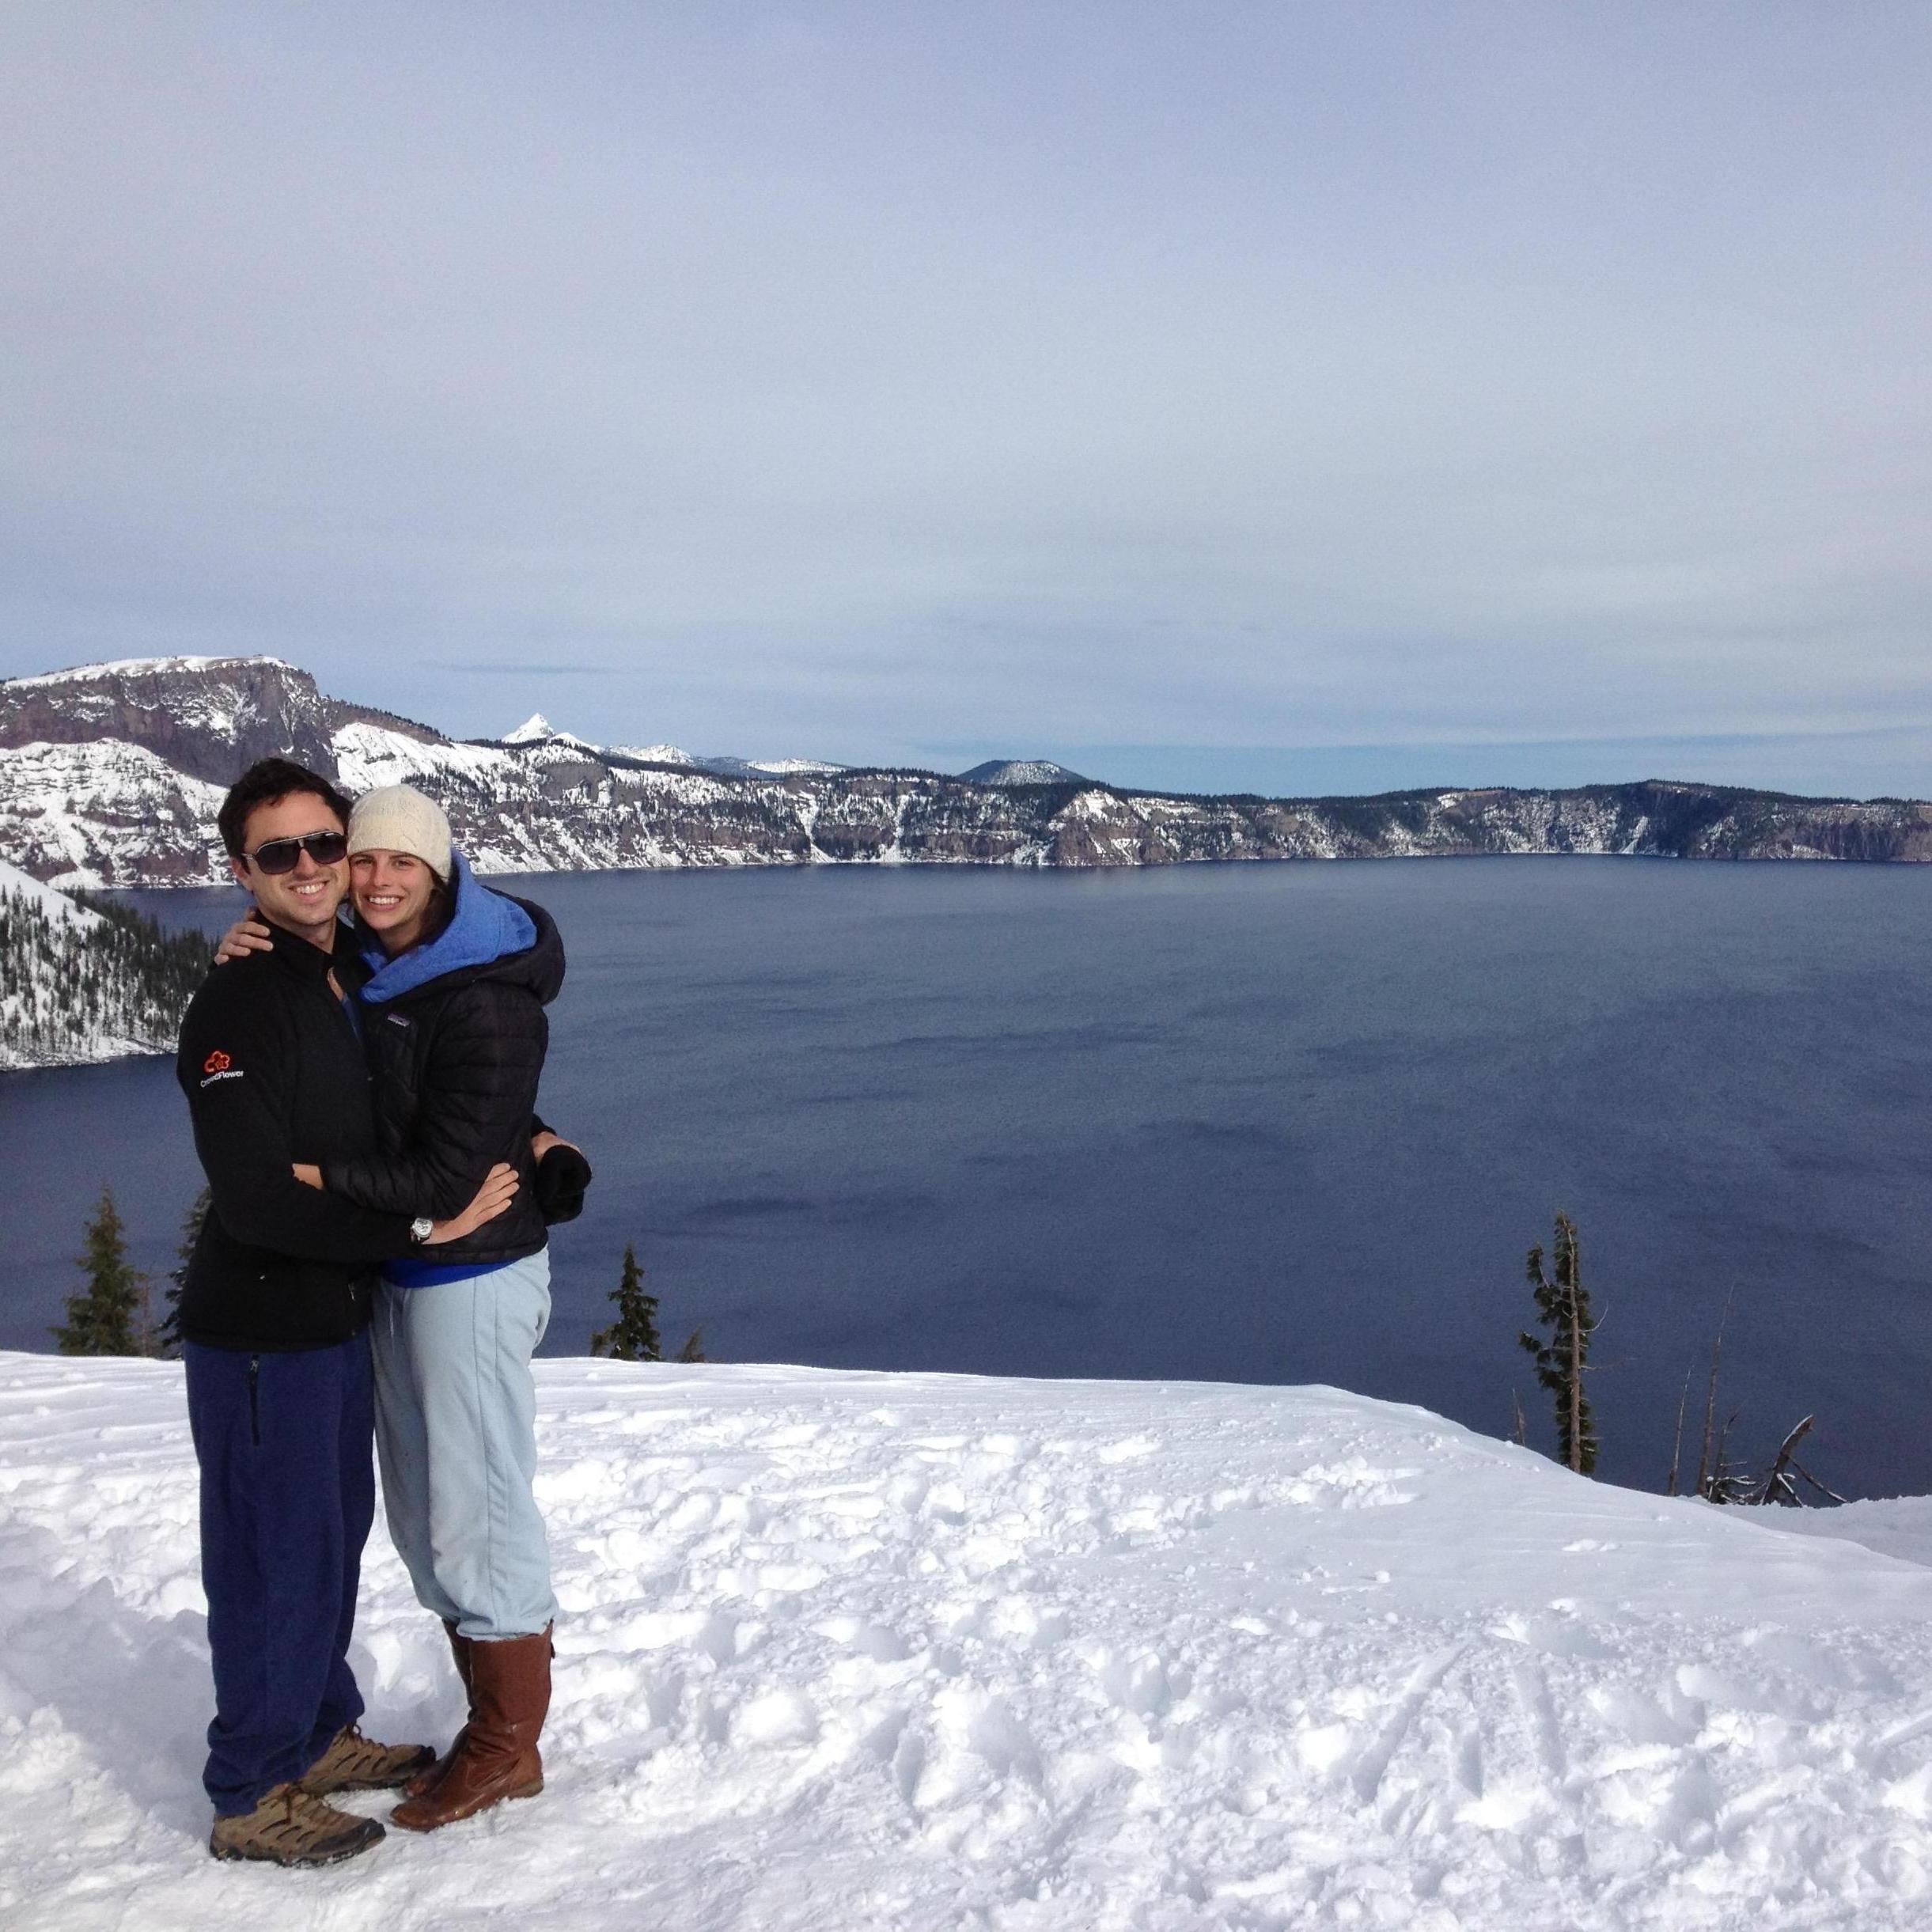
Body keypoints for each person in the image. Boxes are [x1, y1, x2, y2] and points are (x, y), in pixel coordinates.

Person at [177, 758, 521, 1867]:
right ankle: (250, 1786)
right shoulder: (243, 996)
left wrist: (537, 1140)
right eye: (281, 853)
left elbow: (421, 1095)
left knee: (326, 1543)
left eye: (326, 842)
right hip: (262, 1331)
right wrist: (420, 1229)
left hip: (330, 1321)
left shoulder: (336, 972)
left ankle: (316, 1731)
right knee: (273, 1554)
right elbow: (256, 1196)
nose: (314, 867)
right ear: (244, 871)